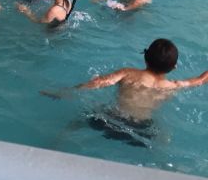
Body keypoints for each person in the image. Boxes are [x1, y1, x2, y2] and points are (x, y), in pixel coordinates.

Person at [76, 39, 208, 122]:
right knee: (163, 138)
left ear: (145, 57)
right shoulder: (172, 86)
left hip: (113, 118)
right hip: (141, 127)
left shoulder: (127, 73)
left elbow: (100, 83)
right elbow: (200, 80)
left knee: (79, 121)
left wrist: (77, 88)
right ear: (174, 67)